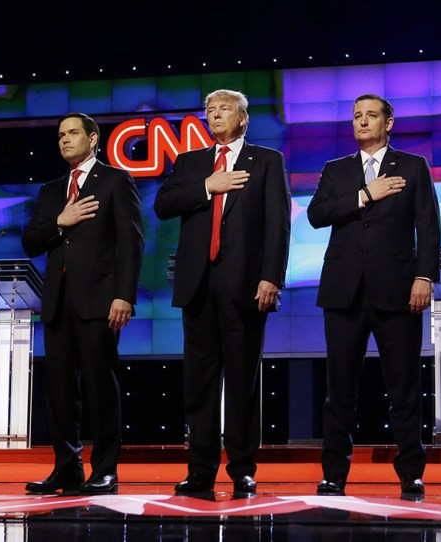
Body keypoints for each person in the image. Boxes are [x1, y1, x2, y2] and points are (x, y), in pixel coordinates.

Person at [154, 89, 291, 498]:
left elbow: (278, 225)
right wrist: (207, 186)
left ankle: (243, 469)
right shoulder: (191, 162)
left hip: (246, 286)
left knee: (243, 381)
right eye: (209, 110)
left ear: (244, 118)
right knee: (199, 384)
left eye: (224, 109)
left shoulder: (267, 161)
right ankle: (199, 472)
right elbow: (163, 204)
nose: (215, 115)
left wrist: (271, 277)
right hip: (198, 286)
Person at [307, 94, 441, 501]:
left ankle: (411, 475)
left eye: (371, 115)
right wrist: (366, 194)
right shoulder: (336, 170)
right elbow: (316, 215)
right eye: (356, 116)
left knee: (404, 388)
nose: (362, 122)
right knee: (339, 391)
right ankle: (333, 475)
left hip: (398, 290)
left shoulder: (414, 167)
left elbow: (428, 226)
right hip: (343, 292)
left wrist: (424, 277)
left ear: (389, 123)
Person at [22, 112, 144, 494]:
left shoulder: (115, 179)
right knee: (58, 390)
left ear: (93, 139)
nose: (65, 140)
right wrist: (61, 220)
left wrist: (124, 294)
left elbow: (131, 241)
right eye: (60, 135)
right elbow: (31, 241)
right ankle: (67, 467)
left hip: (99, 300)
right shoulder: (51, 189)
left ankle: (105, 469)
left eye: (73, 133)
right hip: (57, 302)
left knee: (100, 386)